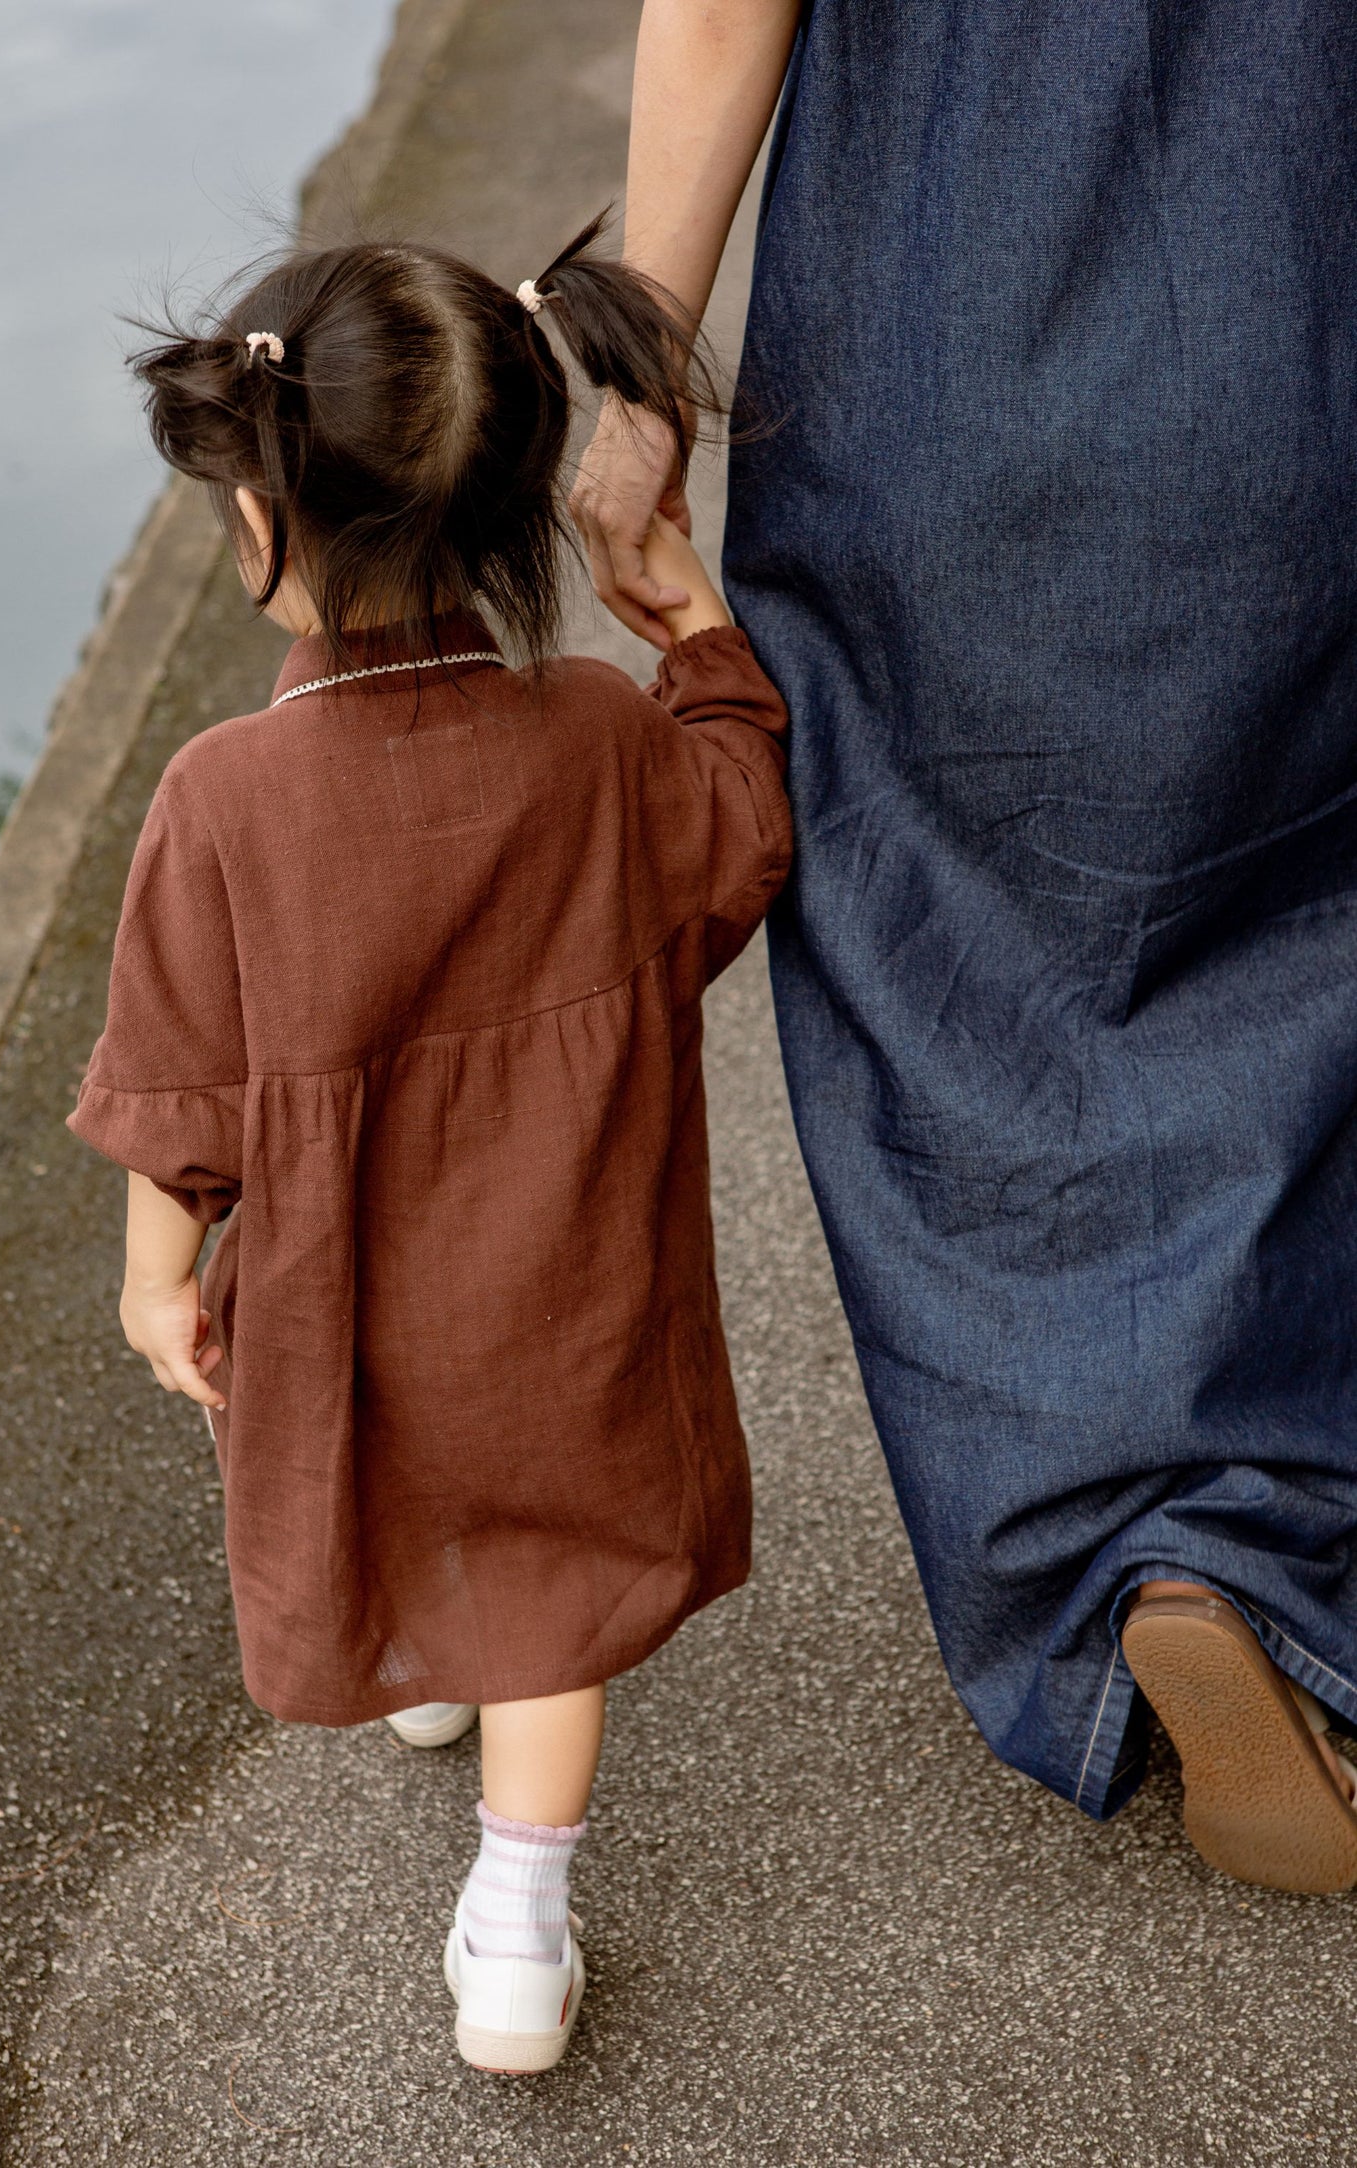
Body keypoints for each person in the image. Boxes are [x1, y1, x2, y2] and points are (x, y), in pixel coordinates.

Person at [573, 0, 1357, 1893]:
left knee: (943, 928)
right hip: (1298, 302)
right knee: (1302, 914)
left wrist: (643, 369)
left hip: (930, 350)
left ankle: (1132, 1550)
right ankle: (1286, 1534)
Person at [67, 218, 790, 2070]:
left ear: (261, 525)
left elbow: (183, 1093)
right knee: (548, 1589)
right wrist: (691, 624)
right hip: (574, 1293)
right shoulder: (599, 736)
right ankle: (518, 1932)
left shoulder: (223, 797)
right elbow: (734, 849)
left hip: (352, 1306)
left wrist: (157, 1286)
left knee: (391, 1457)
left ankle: (417, 1651)